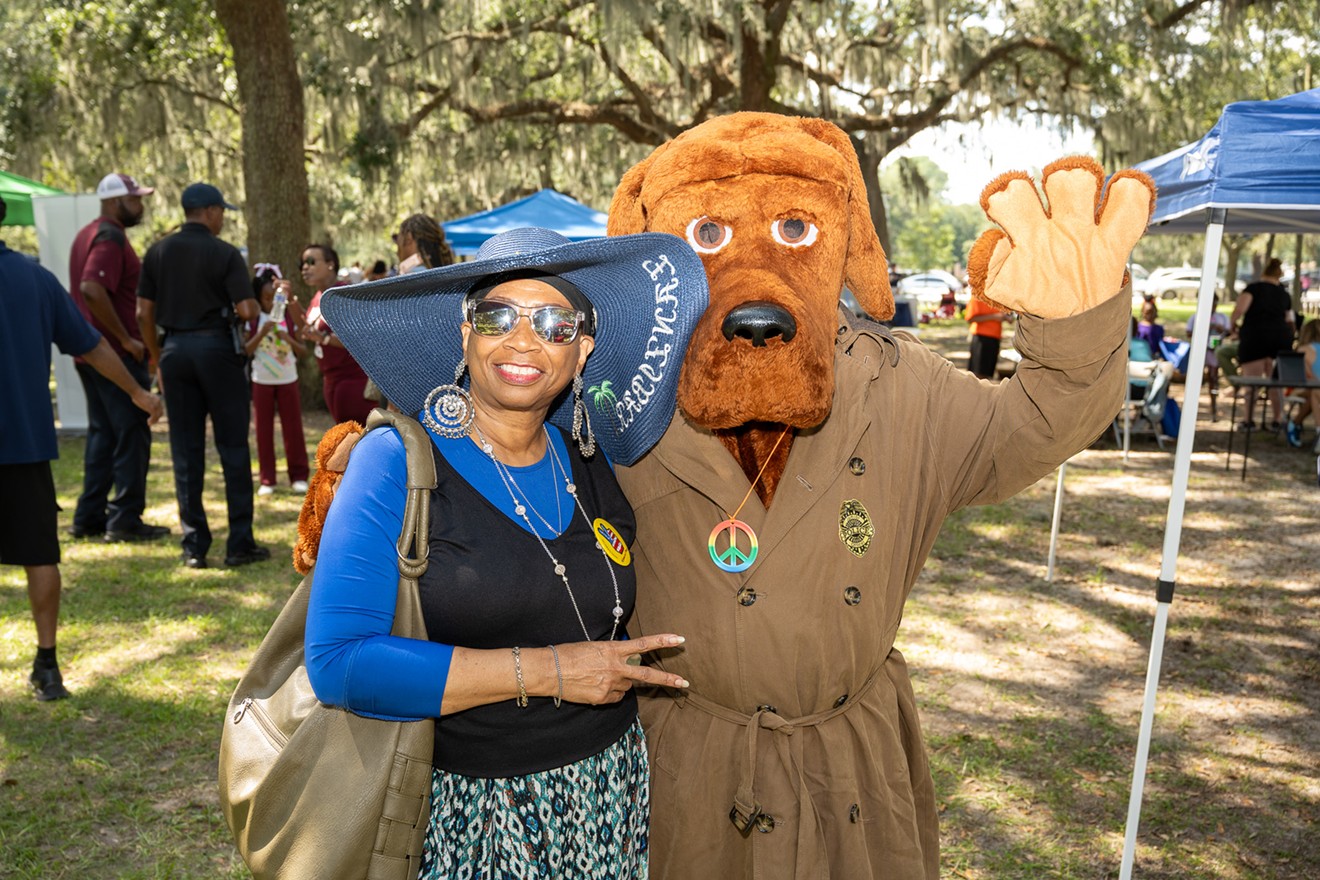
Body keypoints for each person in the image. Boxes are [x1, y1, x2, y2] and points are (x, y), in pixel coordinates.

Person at [306, 227, 708, 877]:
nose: (524, 340)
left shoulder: (589, 460)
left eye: (555, 323)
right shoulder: (395, 461)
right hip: (480, 812)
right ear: (465, 334)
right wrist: (549, 672)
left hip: (612, 792)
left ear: (583, 349)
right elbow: (340, 664)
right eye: (498, 316)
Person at [0, 194, 163, 700]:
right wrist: (137, 391)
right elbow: (91, 346)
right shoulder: (35, 280)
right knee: (39, 557)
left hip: (25, 445)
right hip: (24, 446)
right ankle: (47, 666)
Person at [137, 182, 269, 570]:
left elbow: (144, 313)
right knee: (232, 448)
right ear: (210, 211)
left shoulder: (157, 251)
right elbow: (247, 310)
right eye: (222, 211)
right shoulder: (224, 253)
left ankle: (194, 544)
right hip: (217, 351)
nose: (223, 218)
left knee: (186, 450)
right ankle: (239, 542)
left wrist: (158, 355)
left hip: (175, 352)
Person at [66, 172, 170, 543]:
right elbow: (92, 288)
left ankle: (89, 515)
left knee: (104, 435)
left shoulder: (86, 233)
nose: (140, 206)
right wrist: (126, 339)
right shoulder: (110, 236)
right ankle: (124, 518)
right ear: (114, 201)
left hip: (91, 355)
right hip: (112, 354)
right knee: (132, 431)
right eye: (135, 199)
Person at [244, 264, 310, 496]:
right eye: (265, 298)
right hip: (261, 380)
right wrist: (262, 332)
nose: (270, 302)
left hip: (287, 378)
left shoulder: (287, 316)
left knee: (293, 428)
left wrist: (287, 338)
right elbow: (246, 350)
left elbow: (303, 350)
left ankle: (299, 476)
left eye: (273, 297)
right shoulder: (252, 318)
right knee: (263, 431)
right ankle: (267, 479)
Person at [298, 242, 376, 425]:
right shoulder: (318, 296)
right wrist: (290, 301)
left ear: (330, 264)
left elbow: (357, 337)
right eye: (302, 263)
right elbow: (307, 326)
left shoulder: (343, 295)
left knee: (354, 440)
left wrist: (324, 338)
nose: (305, 268)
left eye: (311, 262)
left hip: (352, 380)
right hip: (330, 380)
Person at [1230, 257, 1297, 430]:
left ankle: (1248, 420)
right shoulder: (1284, 294)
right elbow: (1290, 320)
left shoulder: (1253, 289)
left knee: (1251, 382)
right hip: (1280, 340)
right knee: (1276, 383)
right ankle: (1277, 419)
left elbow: (1239, 310)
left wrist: (1232, 326)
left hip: (1255, 338)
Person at [1285, 317, 1320, 449]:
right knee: (1314, 392)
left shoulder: (1303, 349)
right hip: (1307, 388)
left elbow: (1304, 376)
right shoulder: (1305, 350)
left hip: (1309, 388)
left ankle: (1295, 424)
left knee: (1314, 393)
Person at [964, 295, 1011, 378]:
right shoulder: (978, 297)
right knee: (977, 373)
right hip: (981, 338)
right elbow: (970, 318)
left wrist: (1006, 317)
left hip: (995, 338)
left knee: (988, 373)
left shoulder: (997, 297)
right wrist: (993, 317)